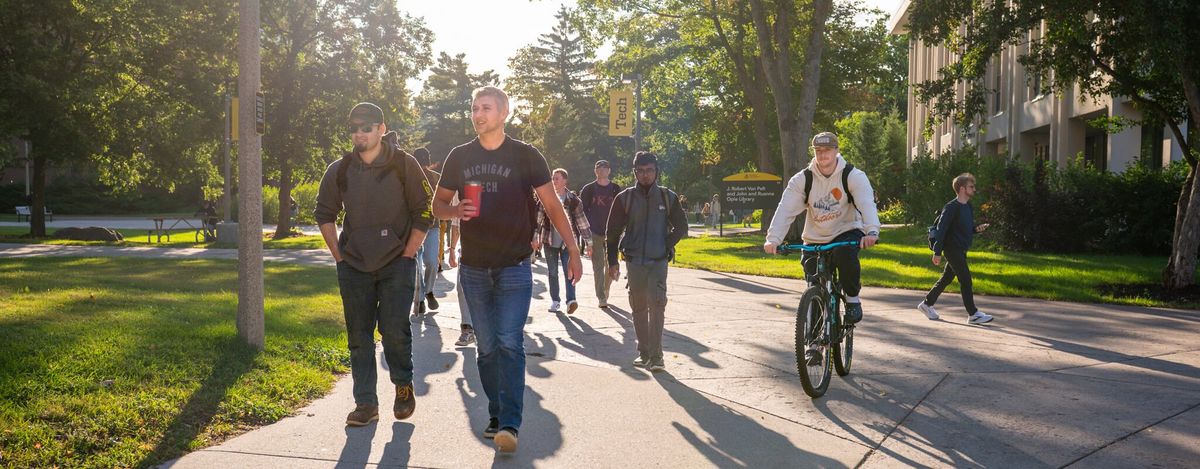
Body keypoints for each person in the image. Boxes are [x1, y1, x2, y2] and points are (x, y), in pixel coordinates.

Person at [432, 86, 582, 453]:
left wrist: (574, 249)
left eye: (485, 108)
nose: (477, 114)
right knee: (485, 347)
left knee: (509, 342)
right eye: (473, 108)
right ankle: (497, 412)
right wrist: (455, 212)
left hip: (515, 266)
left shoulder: (526, 155)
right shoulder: (459, 156)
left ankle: (510, 424)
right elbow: (436, 205)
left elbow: (552, 205)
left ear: (504, 113)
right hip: (473, 267)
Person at [314, 102, 433, 427]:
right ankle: (365, 404)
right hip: (354, 265)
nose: (359, 133)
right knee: (358, 336)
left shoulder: (404, 165)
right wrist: (339, 256)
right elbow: (324, 213)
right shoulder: (339, 169)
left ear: (381, 129)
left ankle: (403, 386)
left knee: (394, 329)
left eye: (366, 127)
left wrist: (409, 253)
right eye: (354, 128)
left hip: (397, 263)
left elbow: (424, 210)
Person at [763, 131, 881, 343]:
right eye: (818, 151)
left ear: (836, 151)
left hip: (845, 230)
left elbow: (866, 203)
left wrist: (872, 231)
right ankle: (812, 343)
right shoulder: (803, 179)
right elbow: (785, 209)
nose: (823, 155)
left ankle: (853, 301)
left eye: (827, 150)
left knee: (846, 256)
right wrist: (773, 239)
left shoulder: (852, 176)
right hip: (815, 237)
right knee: (814, 287)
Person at [605, 151, 688, 372]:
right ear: (634, 172)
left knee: (658, 306)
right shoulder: (624, 198)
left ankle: (657, 356)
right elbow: (612, 233)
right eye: (640, 171)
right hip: (634, 262)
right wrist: (612, 261)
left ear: (656, 171)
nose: (645, 175)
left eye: (649, 170)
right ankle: (644, 353)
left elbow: (682, 226)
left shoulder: (667, 197)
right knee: (639, 307)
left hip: (658, 262)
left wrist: (666, 244)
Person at [918, 173, 993, 324]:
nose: (974, 189)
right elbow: (942, 230)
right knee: (966, 280)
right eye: (971, 187)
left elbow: (965, 228)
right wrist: (937, 252)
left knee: (946, 278)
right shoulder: (951, 207)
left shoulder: (968, 207)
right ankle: (973, 314)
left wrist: (976, 229)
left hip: (961, 249)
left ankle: (927, 304)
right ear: (962, 188)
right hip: (952, 249)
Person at [534, 168, 590, 314]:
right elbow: (538, 219)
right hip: (549, 240)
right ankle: (555, 301)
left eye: (557, 178)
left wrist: (588, 242)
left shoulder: (573, 200)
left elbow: (581, 222)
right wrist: (535, 237)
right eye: (553, 178)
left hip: (567, 243)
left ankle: (571, 300)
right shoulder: (545, 198)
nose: (554, 181)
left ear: (565, 180)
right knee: (552, 272)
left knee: (569, 271)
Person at [578, 160, 621, 309]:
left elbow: (622, 211)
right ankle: (601, 297)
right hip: (594, 231)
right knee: (598, 265)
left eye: (604, 168)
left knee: (612, 264)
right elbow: (581, 212)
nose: (601, 170)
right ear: (595, 171)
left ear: (609, 170)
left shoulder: (616, 189)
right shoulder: (588, 189)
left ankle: (606, 288)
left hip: (612, 232)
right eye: (598, 168)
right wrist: (585, 234)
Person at [411, 146, 442, 315]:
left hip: (433, 226)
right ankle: (421, 299)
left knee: (431, 262)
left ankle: (429, 290)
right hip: (415, 227)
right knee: (417, 266)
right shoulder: (409, 178)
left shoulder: (437, 178)